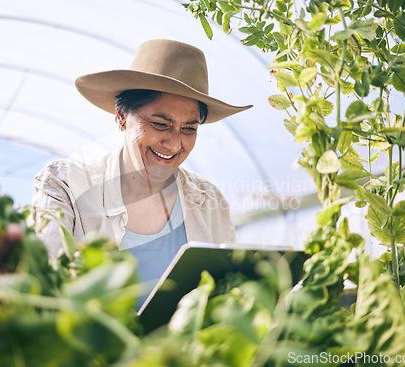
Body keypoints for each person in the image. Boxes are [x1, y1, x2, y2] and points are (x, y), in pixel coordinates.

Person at [31, 39, 252, 288]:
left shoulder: (210, 202)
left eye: (189, 128)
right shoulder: (66, 186)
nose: (174, 144)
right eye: (160, 124)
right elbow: (42, 285)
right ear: (122, 117)